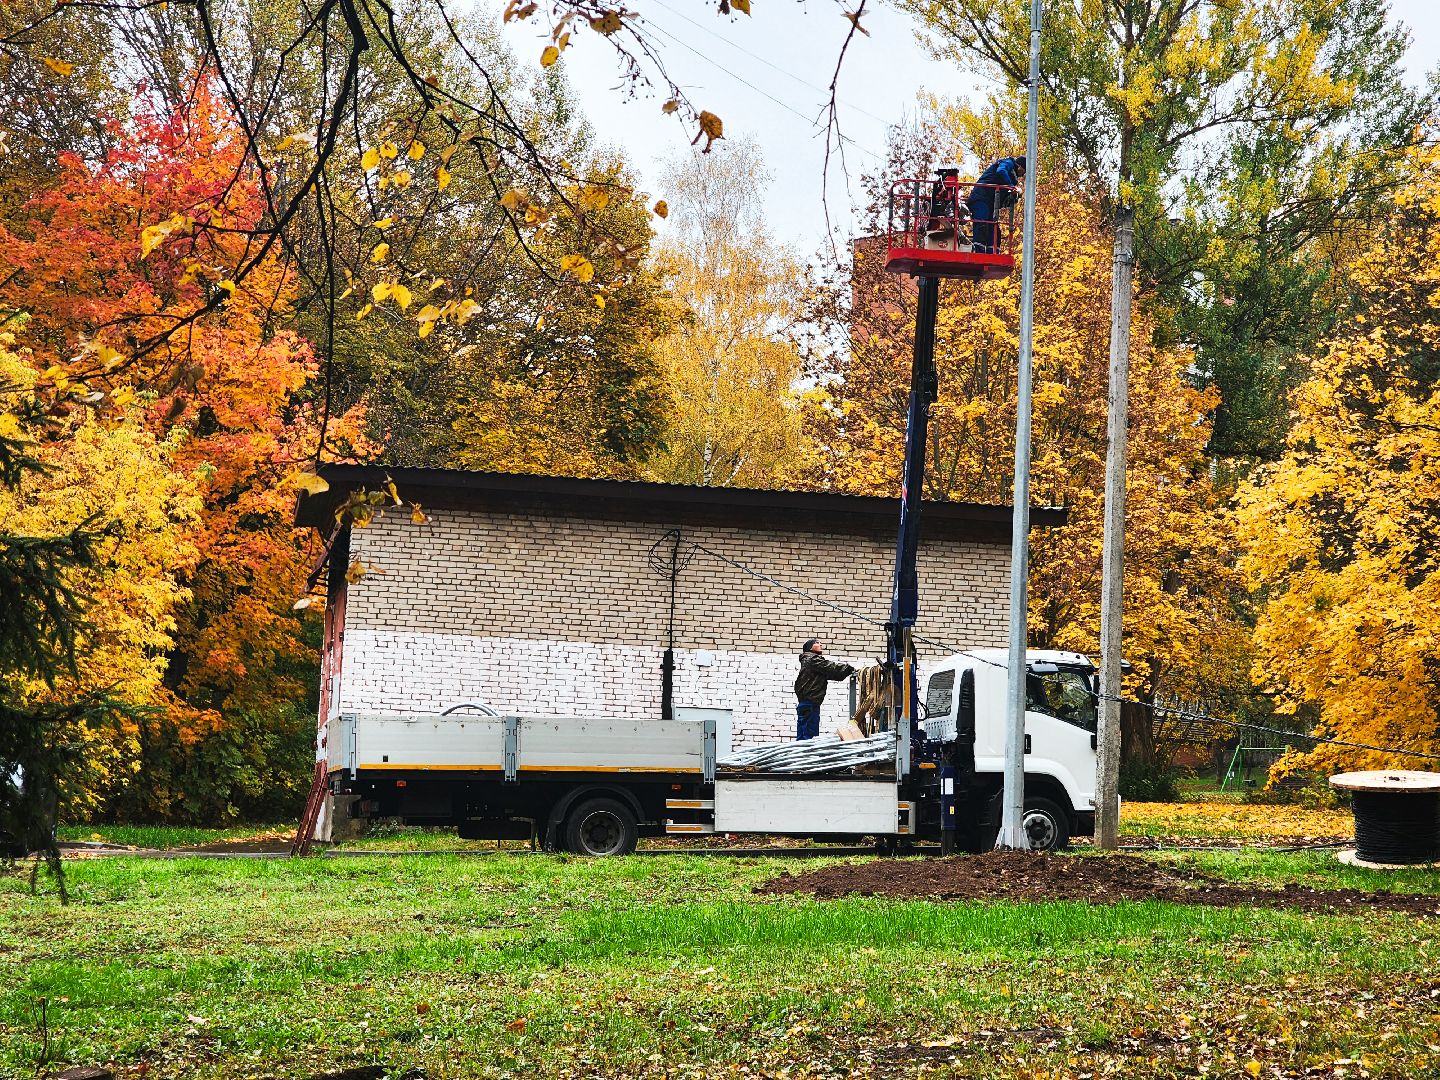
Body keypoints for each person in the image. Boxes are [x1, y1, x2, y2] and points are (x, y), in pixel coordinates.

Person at [793, 638, 856, 740]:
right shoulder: (812, 659)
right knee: (808, 736)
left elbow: (833, 673)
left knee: (805, 733)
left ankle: (803, 754)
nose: (820, 644)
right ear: (810, 647)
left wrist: (844, 673)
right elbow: (830, 667)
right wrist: (849, 669)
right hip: (809, 703)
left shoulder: (812, 662)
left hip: (809, 703)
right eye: (817, 643)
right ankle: (805, 755)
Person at [965, 155, 1025, 254]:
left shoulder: (1012, 177)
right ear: (1020, 166)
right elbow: (1001, 171)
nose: (1023, 175)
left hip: (990, 202)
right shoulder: (1008, 163)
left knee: (994, 230)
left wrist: (1012, 197)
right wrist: (1011, 187)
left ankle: (992, 252)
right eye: (1024, 171)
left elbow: (1003, 196)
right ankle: (979, 252)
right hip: (981, 197)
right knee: (982, 223)